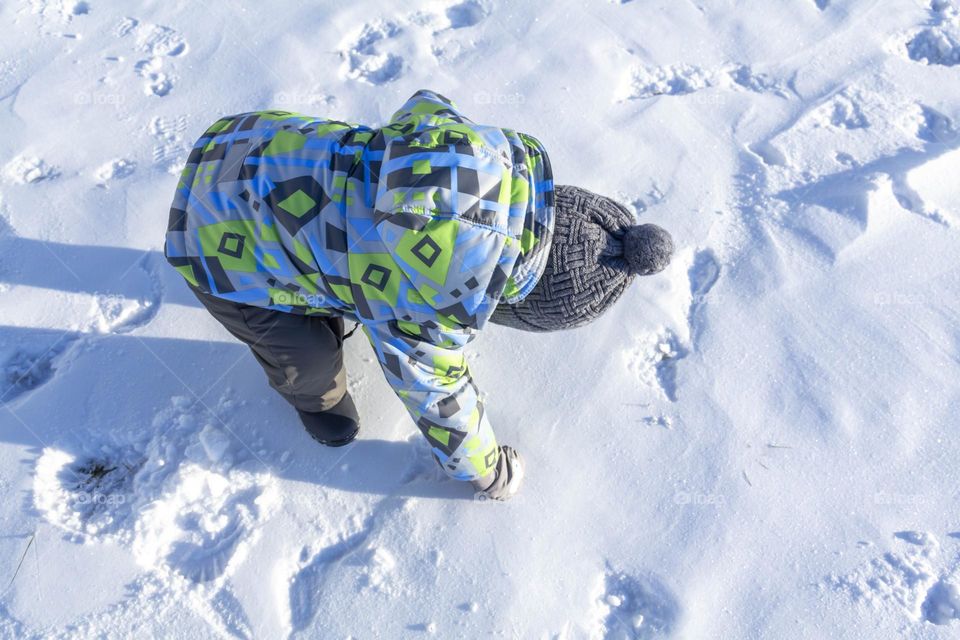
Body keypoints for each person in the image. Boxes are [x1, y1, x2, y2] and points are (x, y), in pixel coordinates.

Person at [163, 90, 674, 501]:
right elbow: (438, 394)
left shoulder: (470, 155)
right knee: (309, 357)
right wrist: (488, 470)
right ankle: (317, 401)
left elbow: (423, 104)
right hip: (210, 242)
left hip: (249, 139)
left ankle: (314, 289)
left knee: (339, 250)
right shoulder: (424, 300)